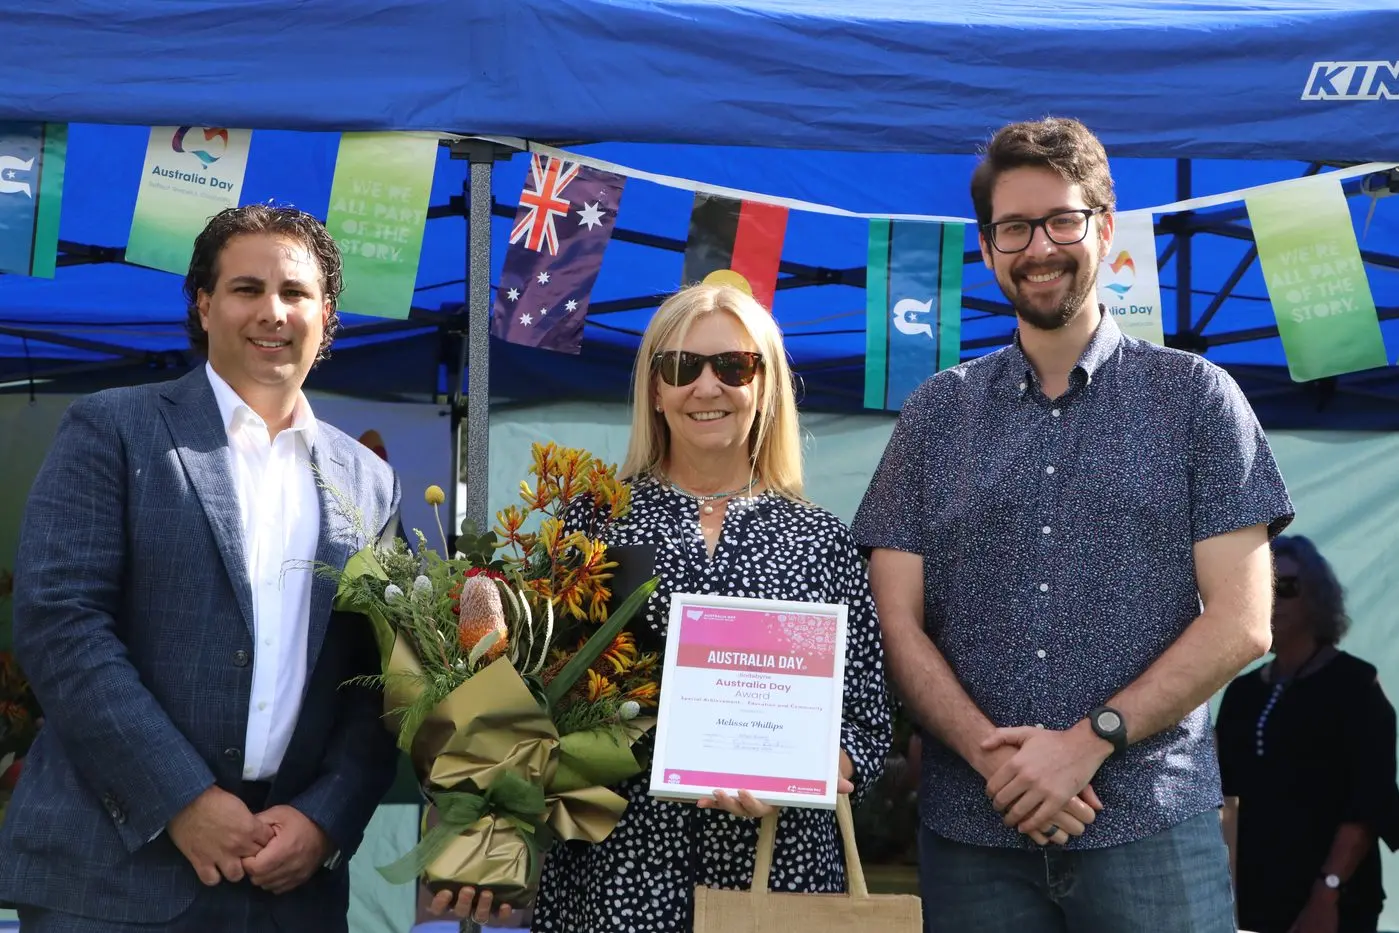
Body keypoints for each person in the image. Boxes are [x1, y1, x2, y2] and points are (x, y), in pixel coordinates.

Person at [852, 116, 1295, 933]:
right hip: (971, 835)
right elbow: (894, 618)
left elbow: (1242, 622)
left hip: (1149, 828)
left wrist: (1087, 740)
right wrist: (999, 759)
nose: (1038, 247)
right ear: (986, 249)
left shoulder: (1197, 399)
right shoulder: (934, 415)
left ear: (1104, 228)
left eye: (1061, 220)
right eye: (1013, 228)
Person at [0, 204, 402, 932]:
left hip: (288, 885)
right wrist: (180, 797)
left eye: (295, 293)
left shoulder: (368, 479)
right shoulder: (113, 428)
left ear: (327, 314)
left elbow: (381, 678)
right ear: (204, 304)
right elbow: (60, 624)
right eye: (247, 289)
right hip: (111, 876)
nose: (272, 312)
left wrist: (326, 816)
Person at [508, 282, 892, 933]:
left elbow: (866, 715)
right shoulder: (595, 523)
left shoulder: (819, 537)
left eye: (732, 366)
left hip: (779, 868)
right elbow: (532, 700)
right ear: (654, 389)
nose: (706, 387)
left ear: (764, 384)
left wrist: (811, 766)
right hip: (619, 871)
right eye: (681, 367)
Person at [1217, 535, 1399, 933]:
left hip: (1335, 903)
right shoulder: (1242, 693)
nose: (1273, 598)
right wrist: (1222, 898)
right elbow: (1225, 802)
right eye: (1263, 586)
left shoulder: (1356, 685)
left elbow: (1369, 803)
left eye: (1286, 587)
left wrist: (1326, 894)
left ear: (1318, 596)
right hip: (1254, 901)